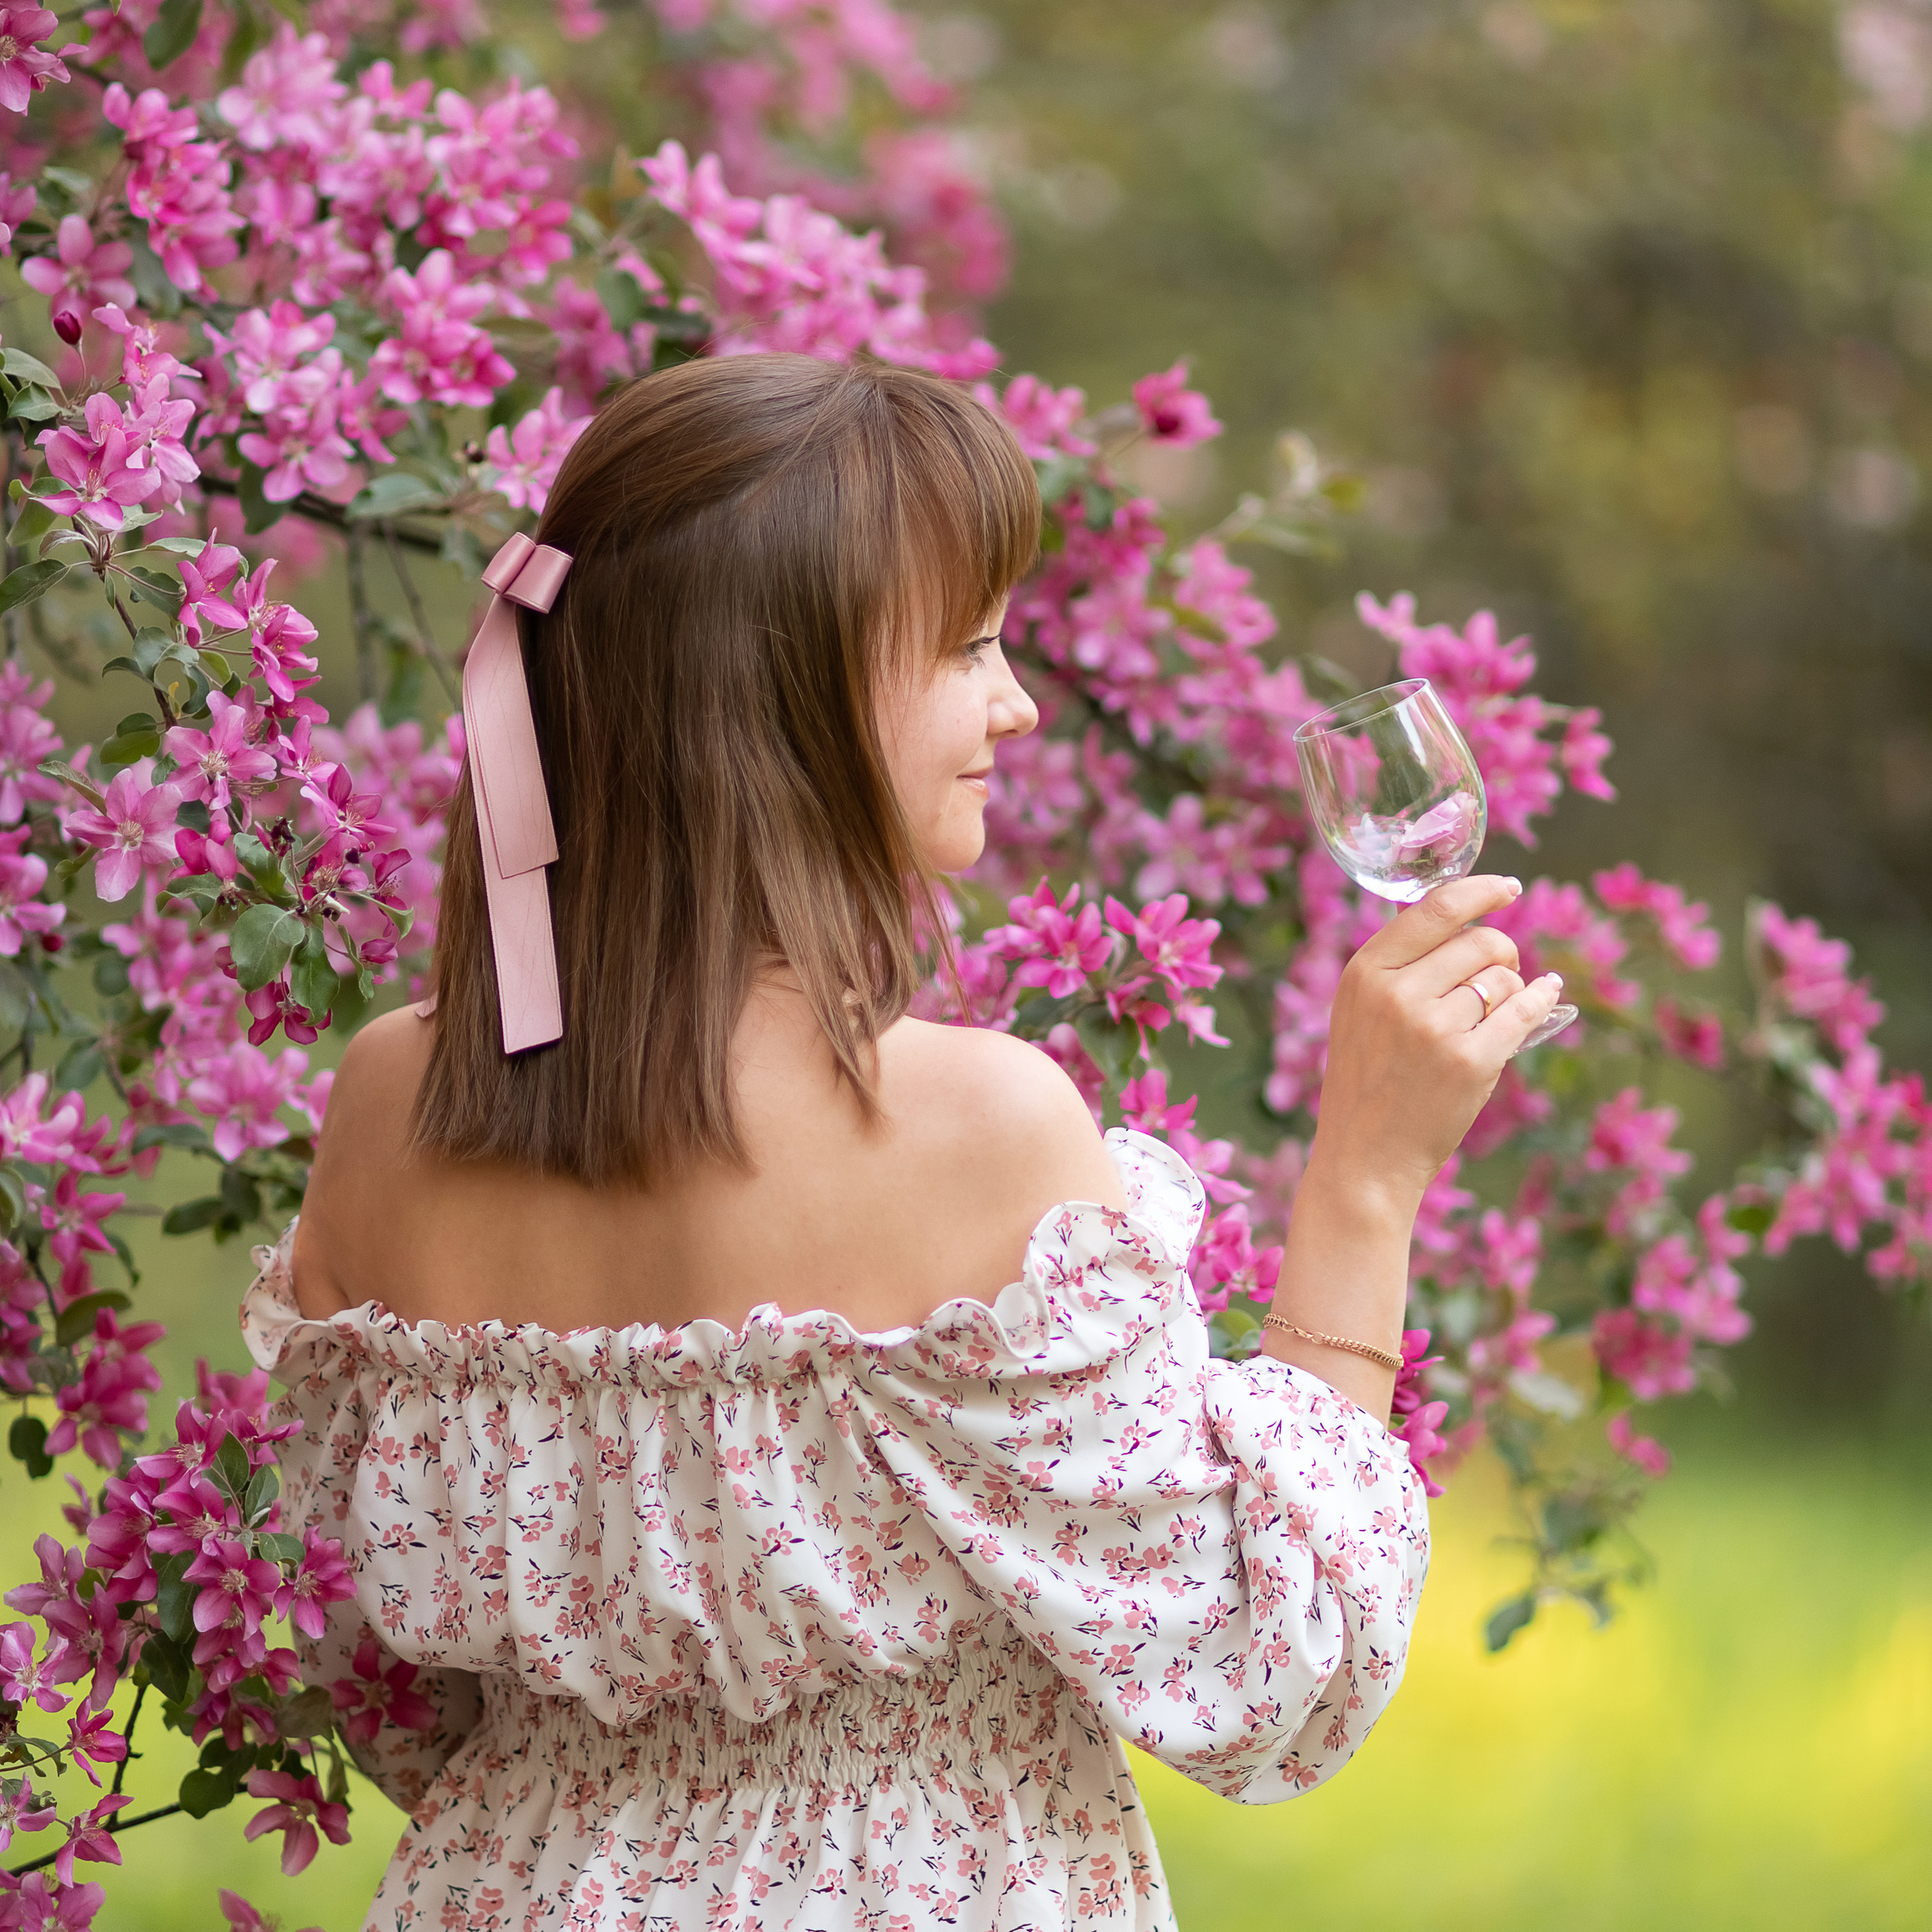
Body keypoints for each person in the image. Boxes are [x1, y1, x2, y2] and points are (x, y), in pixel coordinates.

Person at [243, 352, 1564, 1930]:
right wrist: (1369, 1169)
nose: (1010, 701)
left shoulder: (394, 1097)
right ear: (776, 694)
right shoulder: (971, 1125)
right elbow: (1267, 1663)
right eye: (964, 646)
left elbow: (380, 1660)